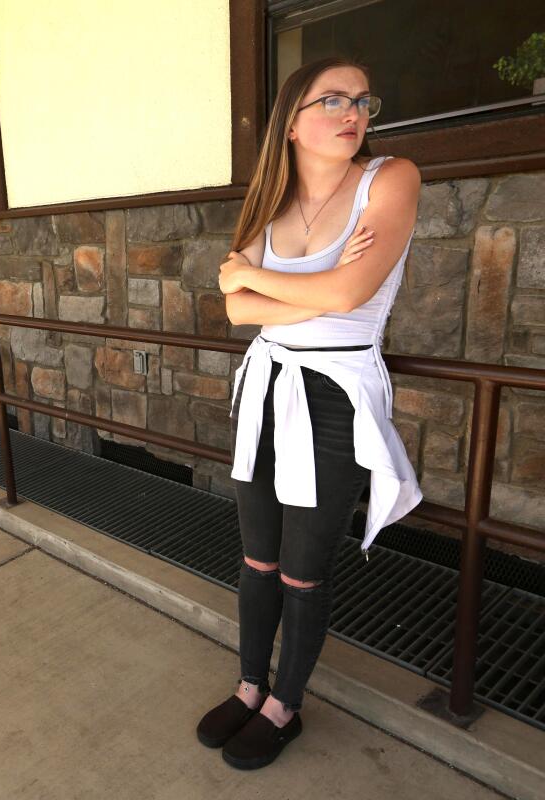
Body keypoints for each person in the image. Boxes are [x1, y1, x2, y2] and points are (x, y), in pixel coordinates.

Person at [196, 57, 422, 770]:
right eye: (331, 100)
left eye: (361, 98)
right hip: (266, 387)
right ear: (292, 123)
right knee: (258, 558)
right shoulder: (272, 195)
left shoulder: (391, 179)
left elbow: (349, 295)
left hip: (335, 398)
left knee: (302, 568)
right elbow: (236, 313)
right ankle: (249, 684)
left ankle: (284, 705)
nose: (352, 110)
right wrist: (311, 292)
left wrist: (258, 277)